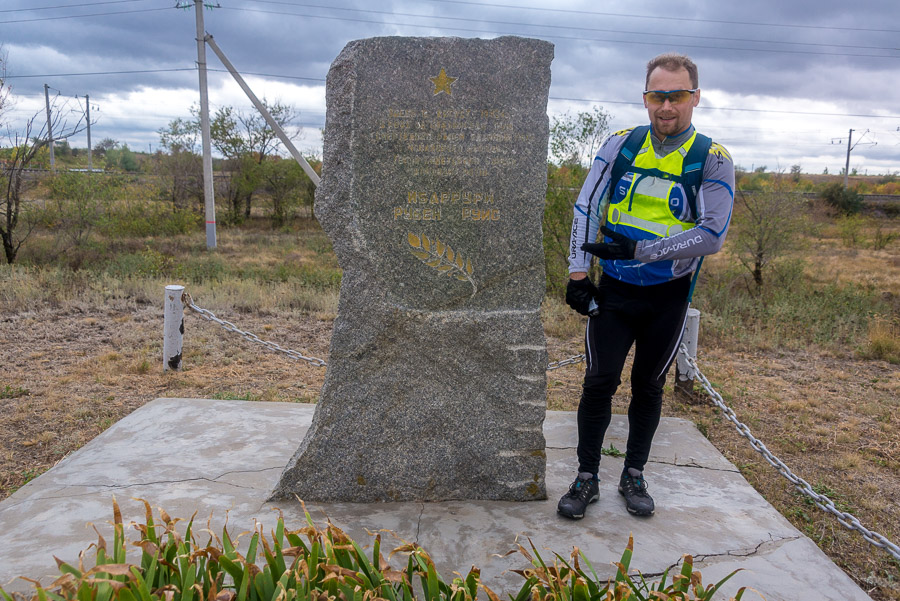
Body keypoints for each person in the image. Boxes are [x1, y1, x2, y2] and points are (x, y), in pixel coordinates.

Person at [557, 53, 735, 519]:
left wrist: (641, 252)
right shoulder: (620, 144)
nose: (666, 106)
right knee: (598, 382)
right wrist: (578, 276)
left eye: (677, 96)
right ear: (645, 98)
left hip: (667, 297)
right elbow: (585, 207)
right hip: (613, 291)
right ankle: (586, 477)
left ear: (695, 98)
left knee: (648, 387)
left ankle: (633, 474)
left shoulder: (712, 159)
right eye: (657, 96)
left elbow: (711, 235)